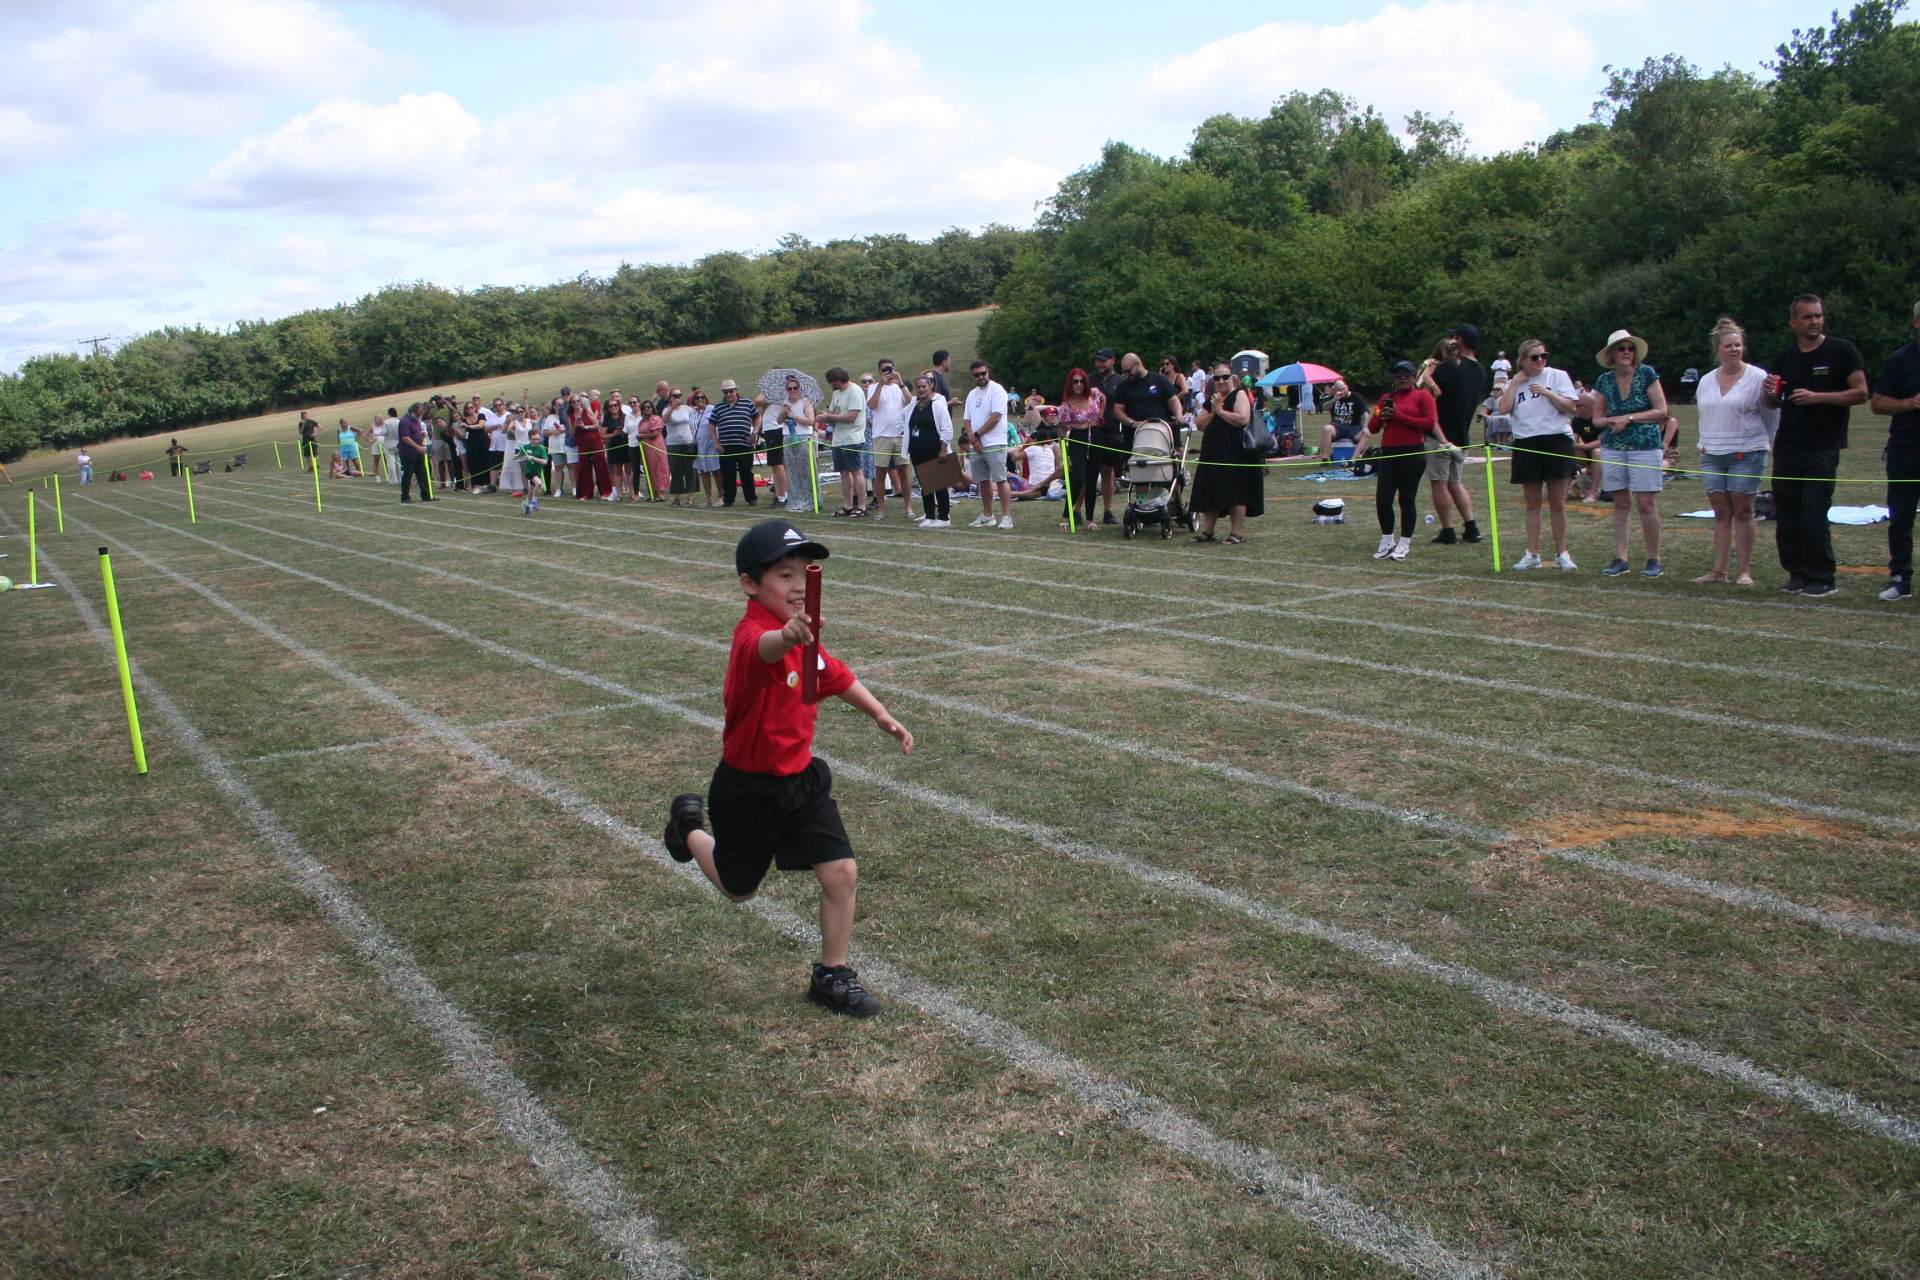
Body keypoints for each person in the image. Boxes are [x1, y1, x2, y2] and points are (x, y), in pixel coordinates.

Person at [661, 520, 913, 1018]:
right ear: (750, 584)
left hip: (800, 780)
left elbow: (834, 675)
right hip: (748, 789)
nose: (798, 586)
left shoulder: (804, 635)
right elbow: (764, 649)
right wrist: (788, 635)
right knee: (738, 889)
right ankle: (687, 829)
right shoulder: (753, 636)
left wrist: (880, 713)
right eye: (784, 575)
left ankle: (832, 974)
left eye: (805, 573)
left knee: (841, 873)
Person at [1765, 294, 1868, 597]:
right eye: (1807, 317)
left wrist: (1818, 397)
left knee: (1813, 513)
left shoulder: (1842, 351)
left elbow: (1861, 393)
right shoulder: (1785, 357)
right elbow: (1773, 401)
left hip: (1822, 446)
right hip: (1788, 445)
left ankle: (1822, 576)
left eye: (1818, 316)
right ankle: (1796, 573)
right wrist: (1770, 394)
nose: (1814, 322)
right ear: (1793, 322)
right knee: (1787, 514)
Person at [1693, 317, 1777, 587]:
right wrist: (1705, 445)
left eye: (1738, 345)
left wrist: (1759, 442)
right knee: (1721, 513)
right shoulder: (1706, 381)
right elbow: (1704, 415)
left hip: (1747, 453)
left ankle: (1743, 571)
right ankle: (1719, 570)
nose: (1734, 350)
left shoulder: (1758, 377)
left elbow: (1770, 415)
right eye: (1728, 345)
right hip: (1712, 454)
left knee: (1743, 511)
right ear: (1718, 350)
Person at [1497, 339, 1581, 571]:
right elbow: (1503, 409)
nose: (1540, 360)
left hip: (1556, 440)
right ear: (1523, 360)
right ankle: (1532, 554)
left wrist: (1547, 393)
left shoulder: (1557, 376)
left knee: (1558, 501)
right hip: (1527, 442)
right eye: (1535, 357)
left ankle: (1562, 553)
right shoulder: (1516, 382)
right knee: (1532, 503)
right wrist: (1515, 382)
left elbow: (1572, 408)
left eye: (1544, 356)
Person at [1592, 328, 1669, 577]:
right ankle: (1621, 557)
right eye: (1621, 349)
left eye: (1630, 348)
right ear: (1612, 354)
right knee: (1621, 502)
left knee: (1646, 503)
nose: (1626, 352)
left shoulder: (1647, 374)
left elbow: (1661, 410)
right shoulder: (1604, 380)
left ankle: (1654, 559)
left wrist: (1630, 418)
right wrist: (1611, 421)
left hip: (1644, 446)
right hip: (1614, 446)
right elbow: (1596, 419)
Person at [1364, 360, 1457, 561]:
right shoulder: (1386, 398)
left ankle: (1404, 542)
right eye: (1398, 376)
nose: (1402, 379)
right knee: (1383, 498)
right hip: (1389, 453)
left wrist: (1398, 416)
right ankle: (1387, 540)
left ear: (1414, 377)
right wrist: (1382, 416)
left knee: (1406, 499)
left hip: (1412, 453)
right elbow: (1372, 428)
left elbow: (1429, 423)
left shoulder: (1423, 396)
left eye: (1406, 376)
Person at [1869, 298, 1920, 603]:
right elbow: (1877, 404)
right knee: (1901, 518)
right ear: (1916, 322)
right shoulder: (1899, 360)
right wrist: (1910, 403)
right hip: (1906, 452)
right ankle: (1901, 579)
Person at [1188, 362, 1264, 544]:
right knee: (1211, 488)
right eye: (1217, 378)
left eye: (1225, 377)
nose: (1221, 381)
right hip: (1213, 450)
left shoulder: (1239, 394)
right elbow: (1200, 424)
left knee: (1237, 491)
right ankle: (1207, 532)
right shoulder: (1213, 399)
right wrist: (1214, 412)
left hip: (1236, 451)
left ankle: (1236, 533)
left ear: (1232, 377)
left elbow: (1243, 419)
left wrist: (1220, 411)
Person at [1425, 324, 1484, 544]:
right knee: (1455, 482)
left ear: (1459, 340)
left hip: (1440, 435)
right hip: (1462, 435)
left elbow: (1425, 387)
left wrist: (1431, 367)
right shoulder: (1479, 370)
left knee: (1439, 482)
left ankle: (1448, 530)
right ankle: (1471, 528)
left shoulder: (1449, 367)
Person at [962, 359, 1014, 529]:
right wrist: (973, 439)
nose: (981, 377)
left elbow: (995, 417)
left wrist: (976, 436)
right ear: (973, 376)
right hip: (976, 445)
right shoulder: (972, 394)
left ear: (988, 372)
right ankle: (987, 515)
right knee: (983, 481)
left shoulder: (997, 390)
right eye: (977, 375)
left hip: (995, 442)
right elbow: (967, 419)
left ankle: (1007, 517)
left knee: (1000, 479)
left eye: (983, 373)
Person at [1054, 367, 1104, 530]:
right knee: (1078, 478)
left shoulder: (1093, 394)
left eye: (1082, 381)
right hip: (1078, 438)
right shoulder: (1066, 405)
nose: (1079, 384)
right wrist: (1063, 453)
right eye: (1075, 381)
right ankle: (1066, 515)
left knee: (1092, 479)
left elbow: (1103, 399)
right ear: (1070, 384)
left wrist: (1100, 416)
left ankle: (1090, 520)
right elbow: (1062, 428)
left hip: (1095, 437)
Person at [818, 368, 868, 517]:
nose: (831, 385)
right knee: (844, 473)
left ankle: (862, 506)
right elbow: (833, 413)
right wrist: (825, 416)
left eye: (832, 382)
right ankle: (847, 505)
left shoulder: (855, 391)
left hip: (852, 438)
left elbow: (852, 416)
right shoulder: (836, 393)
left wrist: (830, 418)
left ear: (838, 381)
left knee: (856, 471)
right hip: (838, 439)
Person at [866, 357, 912, 520]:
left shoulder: (899, 386)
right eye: (884, 369)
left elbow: (911, 402)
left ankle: (908, 508)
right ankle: (881, 509)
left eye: (890, 368)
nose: (887, 372)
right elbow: (872, 405)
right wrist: (880, 385)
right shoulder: (873, 387)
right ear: (879, 371)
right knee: (880, 473)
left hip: (900, 435)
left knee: (904, 471)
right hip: (881, 435)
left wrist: (901, 383)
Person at [906, 373, 955, 527]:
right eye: (918, 387)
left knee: (938, 484)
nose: (921, 389)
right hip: (916, 452)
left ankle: (944, 517)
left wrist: (943, 449)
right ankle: (929, 515)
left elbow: (947, 428)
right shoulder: (913, 405)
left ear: (930, 386)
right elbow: (903, 421)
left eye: (924, 386)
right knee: (925, 485)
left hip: (934, 450)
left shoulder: (937, 404)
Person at [711, 379, 760, 508]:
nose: (728, 394)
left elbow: (757, 418)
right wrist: (715, 442)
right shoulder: (718, 407)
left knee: (746, 473)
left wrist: (754, 433)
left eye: (731, 391)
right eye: (725, 392)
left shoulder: (747, 403)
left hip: (745, 444)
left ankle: (751, 498)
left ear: (736, 390)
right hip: (726, 446)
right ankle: (728, 500)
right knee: (727, 474)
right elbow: (711, 424)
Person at [1090, 347, 1125, 524]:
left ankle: (1108, 511)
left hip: (1112, 430)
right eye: (1097, 360)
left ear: (1112, 360)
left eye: (1103, 360)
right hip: (1091, 429)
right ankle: (1077, 510)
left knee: (1107, 470)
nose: (1100, 364)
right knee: (1088, 470)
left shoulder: (1121, 381)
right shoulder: (1090, 380)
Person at [774, 378, 816, 514]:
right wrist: (784, 412)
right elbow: (779, 421)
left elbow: (810, 420)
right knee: (792, 471)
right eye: (789, 388)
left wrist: (794, 416)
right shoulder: (784, 403)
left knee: (806, 470)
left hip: (803, 437)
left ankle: (809, 501)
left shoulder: (805, 402)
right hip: (788, 437)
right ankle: (795, 501)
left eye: (795, 388)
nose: (792, 391)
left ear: (799, 389)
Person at [1320, 380, 1372, 466]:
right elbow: (1324, 408)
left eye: (1343, 388)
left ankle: (1352, 461)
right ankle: (1325, 459)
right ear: (1335, 390)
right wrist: (1335, 400)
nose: (1342, 391)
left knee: (1366, 434)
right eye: (1339, 390)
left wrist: (1365, 427)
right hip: (1337, 427)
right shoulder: (1334, 397)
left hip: (1353, 428)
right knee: (1327, 429)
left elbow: (1365, 414)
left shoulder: (1356, 397)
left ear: (1347, 387)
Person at [573, 392, 613, 501]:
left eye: (578, 401)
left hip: (594, 440)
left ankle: (605, 492)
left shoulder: (587, 410)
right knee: (584, 467)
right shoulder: (571, 415)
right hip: (582, 442)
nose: (576, 403)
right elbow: (572, 433)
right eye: (573, 402)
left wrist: (585, 427)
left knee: (600, 466)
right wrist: (576, 425)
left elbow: (597, 425)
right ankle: (585, 493)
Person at [664, 389, 699, 506]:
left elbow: (697, 414)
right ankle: (676, 497)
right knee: (676, 471)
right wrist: (672, 407)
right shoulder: (667, 409)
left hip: (688, 443)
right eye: (675, 395)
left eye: (679, 395)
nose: (678, 397)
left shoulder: (686, 409)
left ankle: (690, 497)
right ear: (670, 397)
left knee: (691, 470)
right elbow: (664, 420)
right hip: (673, 444)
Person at [397, 402, 432, 502]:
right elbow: (405, 438)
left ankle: (426, 495)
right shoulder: (405, 421)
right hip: (408, 453)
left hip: (418, 452)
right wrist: (418, 447)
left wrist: (422, 435)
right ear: (412, 412)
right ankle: (405, 497)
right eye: (418, 414)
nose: (419, 416)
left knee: (423, 474)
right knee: (408, 475)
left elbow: (416, 433)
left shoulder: (416, 420)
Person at [693, 385, 722, 506]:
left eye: (702, 397)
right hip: (699, 446)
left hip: (711, 445)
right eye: (697, 398)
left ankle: (721, 496)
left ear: (706, 399)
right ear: (694, 400)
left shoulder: (712, 409)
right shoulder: (693, 413)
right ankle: (708, 498)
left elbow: (717, 425)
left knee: (716, 471)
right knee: (704, 472)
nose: (700, 399)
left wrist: (717, 441)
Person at [636, 395, 668, 501]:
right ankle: (653, 493)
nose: (646, 409)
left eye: (648, 407)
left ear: (652, 408)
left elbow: (655, 434)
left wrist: (642, 436)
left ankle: (660, 493)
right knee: (649, 470)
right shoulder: (642, 421)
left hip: (656, 447)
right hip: (646, 449)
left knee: (658, 469)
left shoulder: (656, 419)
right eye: (644, 407)